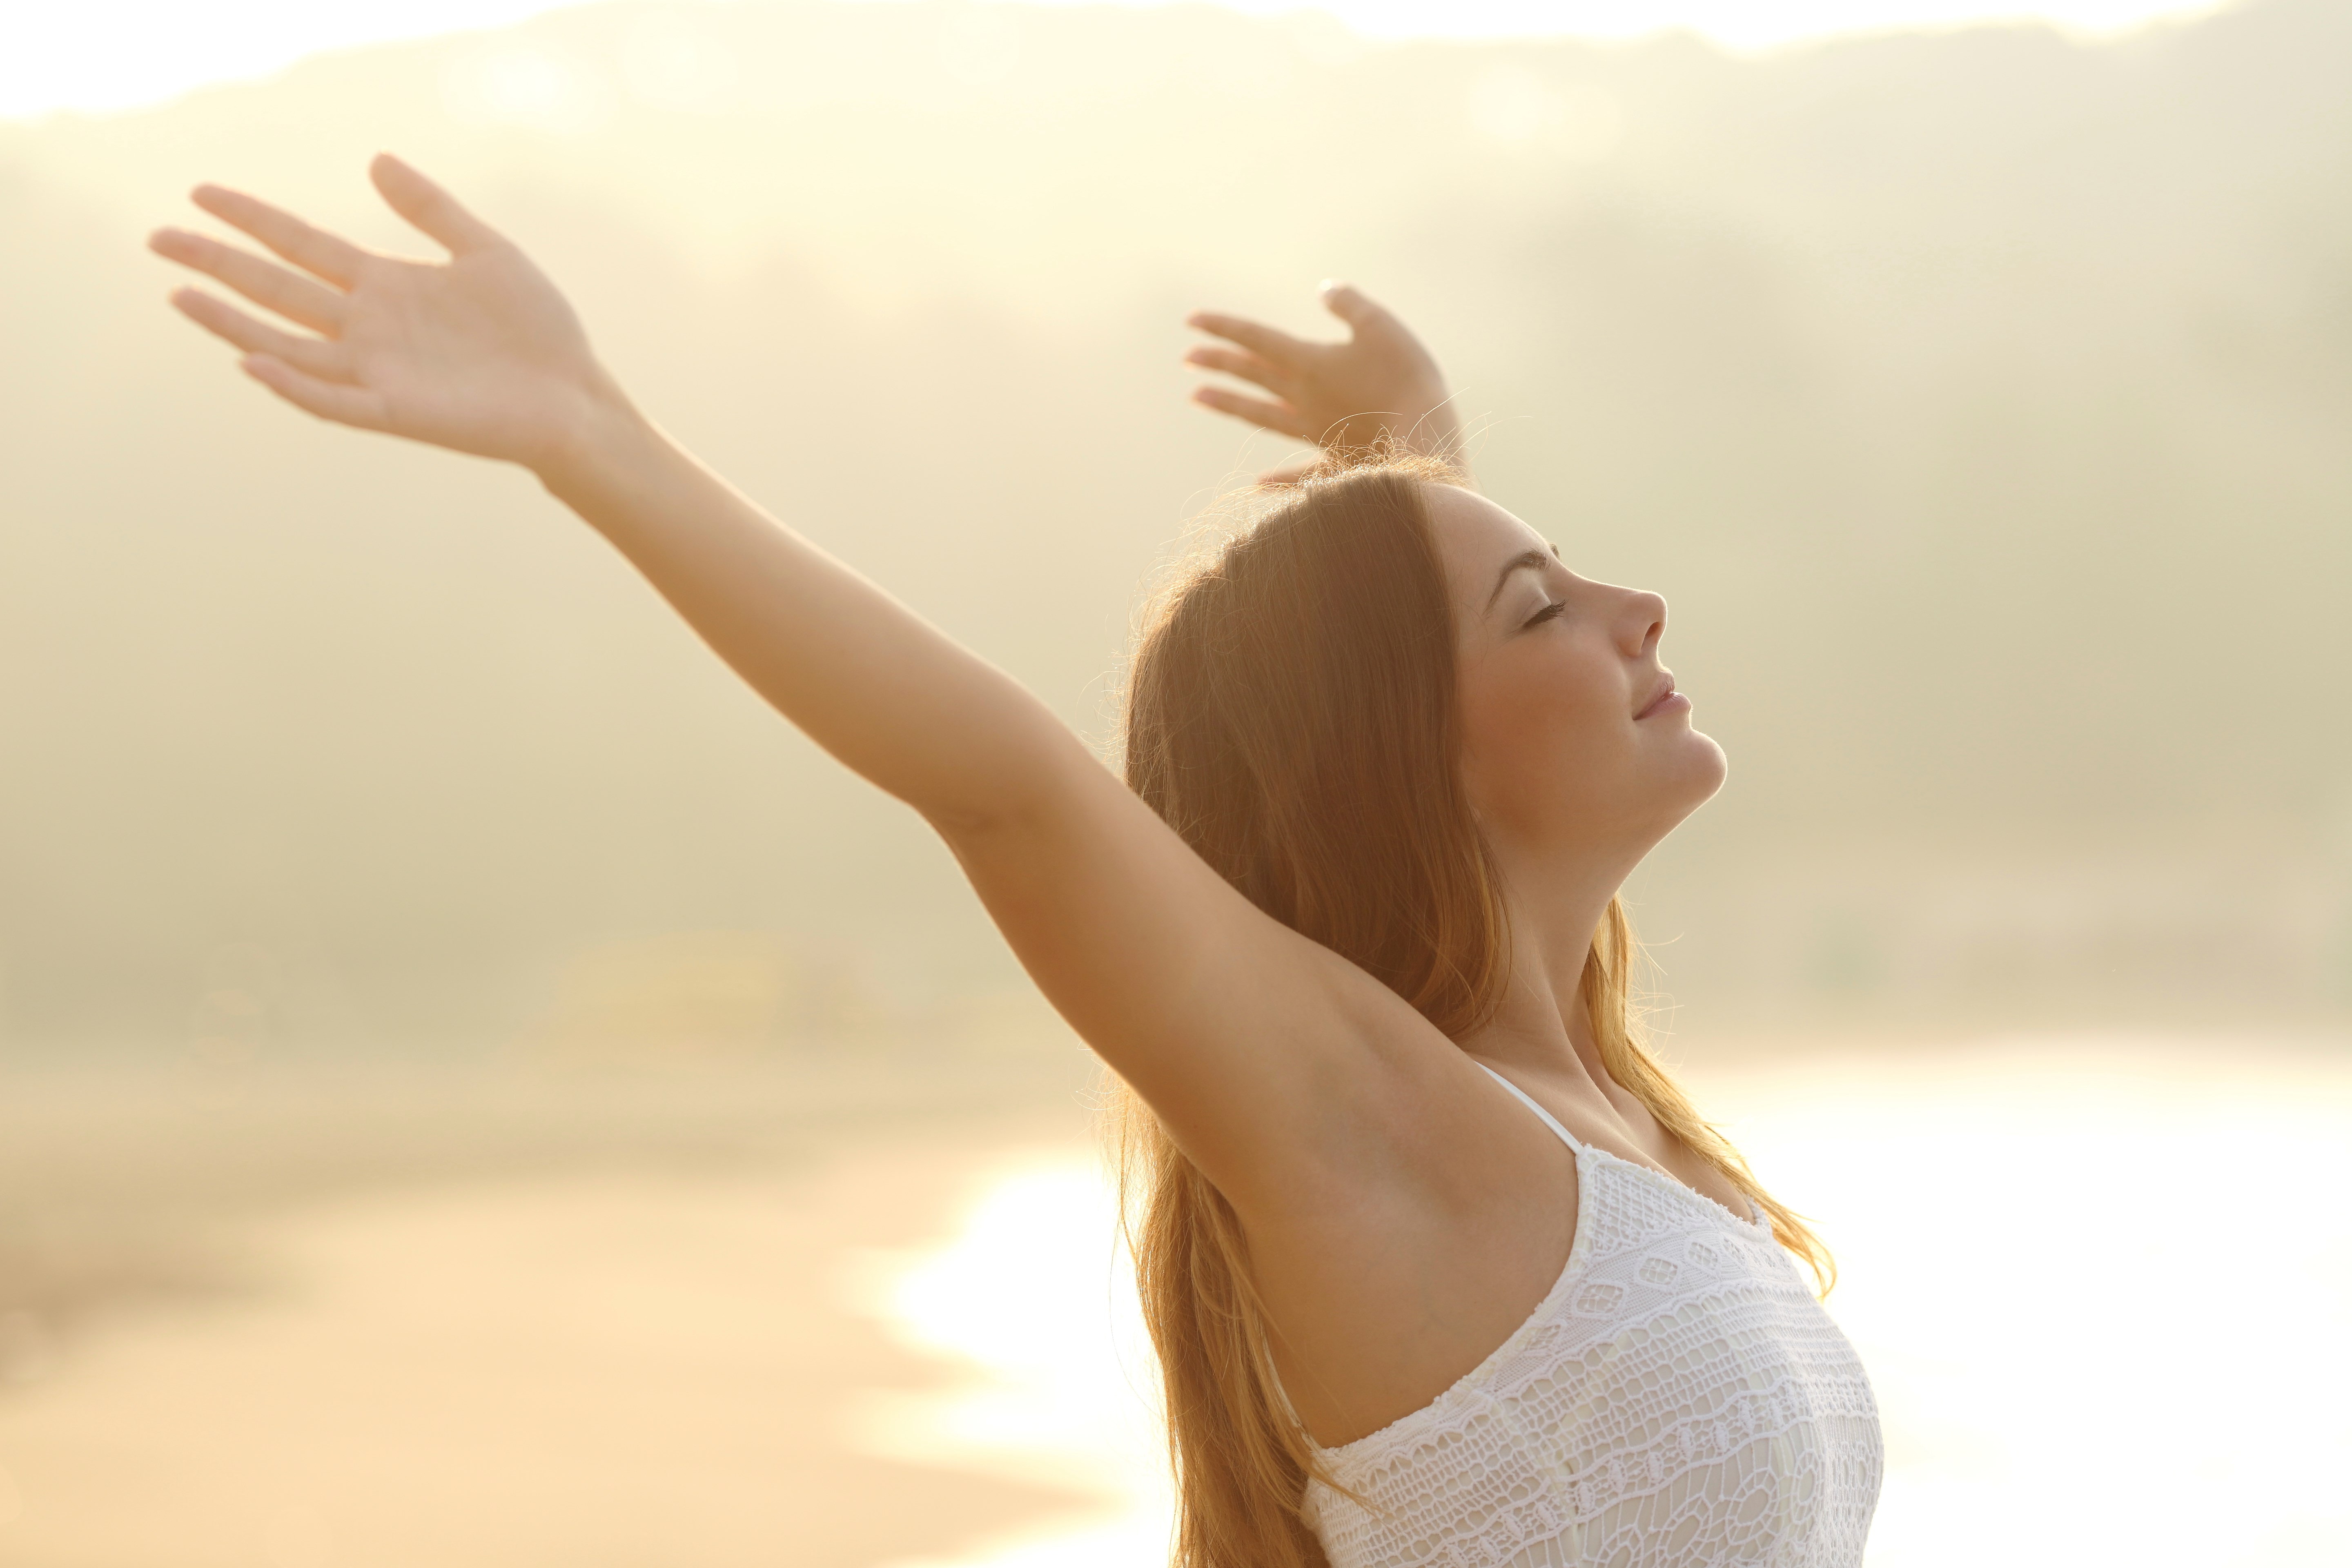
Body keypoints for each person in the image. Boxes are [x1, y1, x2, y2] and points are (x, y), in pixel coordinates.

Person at [148, 156, 1882, 1568]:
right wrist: (592, 433)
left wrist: (1414, 455)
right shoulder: (1379, 1128)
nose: (1637, 607)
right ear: (1406, 754)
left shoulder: (1573, 1117)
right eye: (1547, 605)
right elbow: (1011, 795)